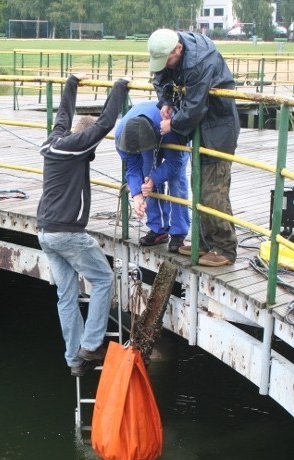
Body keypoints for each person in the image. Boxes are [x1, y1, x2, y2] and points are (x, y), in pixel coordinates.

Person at [37, 73, 131, 377]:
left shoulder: (55, 141)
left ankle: (74, 360)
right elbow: (104, 123)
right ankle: (91, 345)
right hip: (67, 233)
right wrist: (120, 87)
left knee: (66, 295)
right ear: (84, 141)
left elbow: (62, 116)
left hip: (45, 233)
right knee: (103, 279)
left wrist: (72, 84)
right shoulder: (77, 145)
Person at [147, 28, 240, 267]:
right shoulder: (169, 52)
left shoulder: (200, 60)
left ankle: (225, 248)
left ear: (178, 49)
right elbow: (160, 77)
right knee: (198, 186)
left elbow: (196, 105)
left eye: (167, 60)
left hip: (219, 128)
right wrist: (166, 101)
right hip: (200, 128)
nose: (165, 65)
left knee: (213, 190)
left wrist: (173, 123)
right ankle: (206, 244)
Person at [115, 100, 189, 251]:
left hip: (169, 132)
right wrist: (137, 195)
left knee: (176, 181)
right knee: (147, 173)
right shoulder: (120, 135)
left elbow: (175, 162)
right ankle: (158, 229)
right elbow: (132, 166)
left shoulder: (168, 123)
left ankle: (178, 232)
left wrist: (155, 179)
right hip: (146, 136)